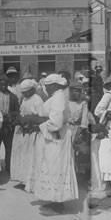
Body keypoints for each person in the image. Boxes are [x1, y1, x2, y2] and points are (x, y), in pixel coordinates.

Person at [32, 74, 78, 210]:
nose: (46, 88)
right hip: (56, 136)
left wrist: (40, 124)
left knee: (55, 167)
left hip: (56, 137)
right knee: (53, 167)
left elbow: (56, 123)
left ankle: (59, 202)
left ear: (54, 86)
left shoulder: (58, 98)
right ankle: (55, 199)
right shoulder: (58, 96)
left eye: (48, 86)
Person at [18, 79, 45, 191]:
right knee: (25, 155)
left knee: (33, 156)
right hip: (25, 131)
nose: (24, 94)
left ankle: (33, 182)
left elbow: (41, 117)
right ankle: (25, 180)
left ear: (32, 90)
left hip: (34, 131)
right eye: (23, 92)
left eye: (26, 92)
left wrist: (32, 124)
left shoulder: (37, 100)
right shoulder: (24, 99)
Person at [0, 74, 20, 174]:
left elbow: (17, 111)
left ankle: (9, 167)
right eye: (1, 85)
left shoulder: (13, 97)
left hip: (8, 126)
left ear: (8, 85)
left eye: (5, 85)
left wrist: (10, 115)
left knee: (9, 147)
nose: (3, 87)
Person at [67, 81, 90, 176]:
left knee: (75, 153)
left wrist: (78, 135)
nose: (76, 93)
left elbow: (84, 121)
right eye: (74, 91)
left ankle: (74, 175)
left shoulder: (83, 103)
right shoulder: (65, 102)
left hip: (77, 130)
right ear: (70, 91)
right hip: (65, 129)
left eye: (78, 91)